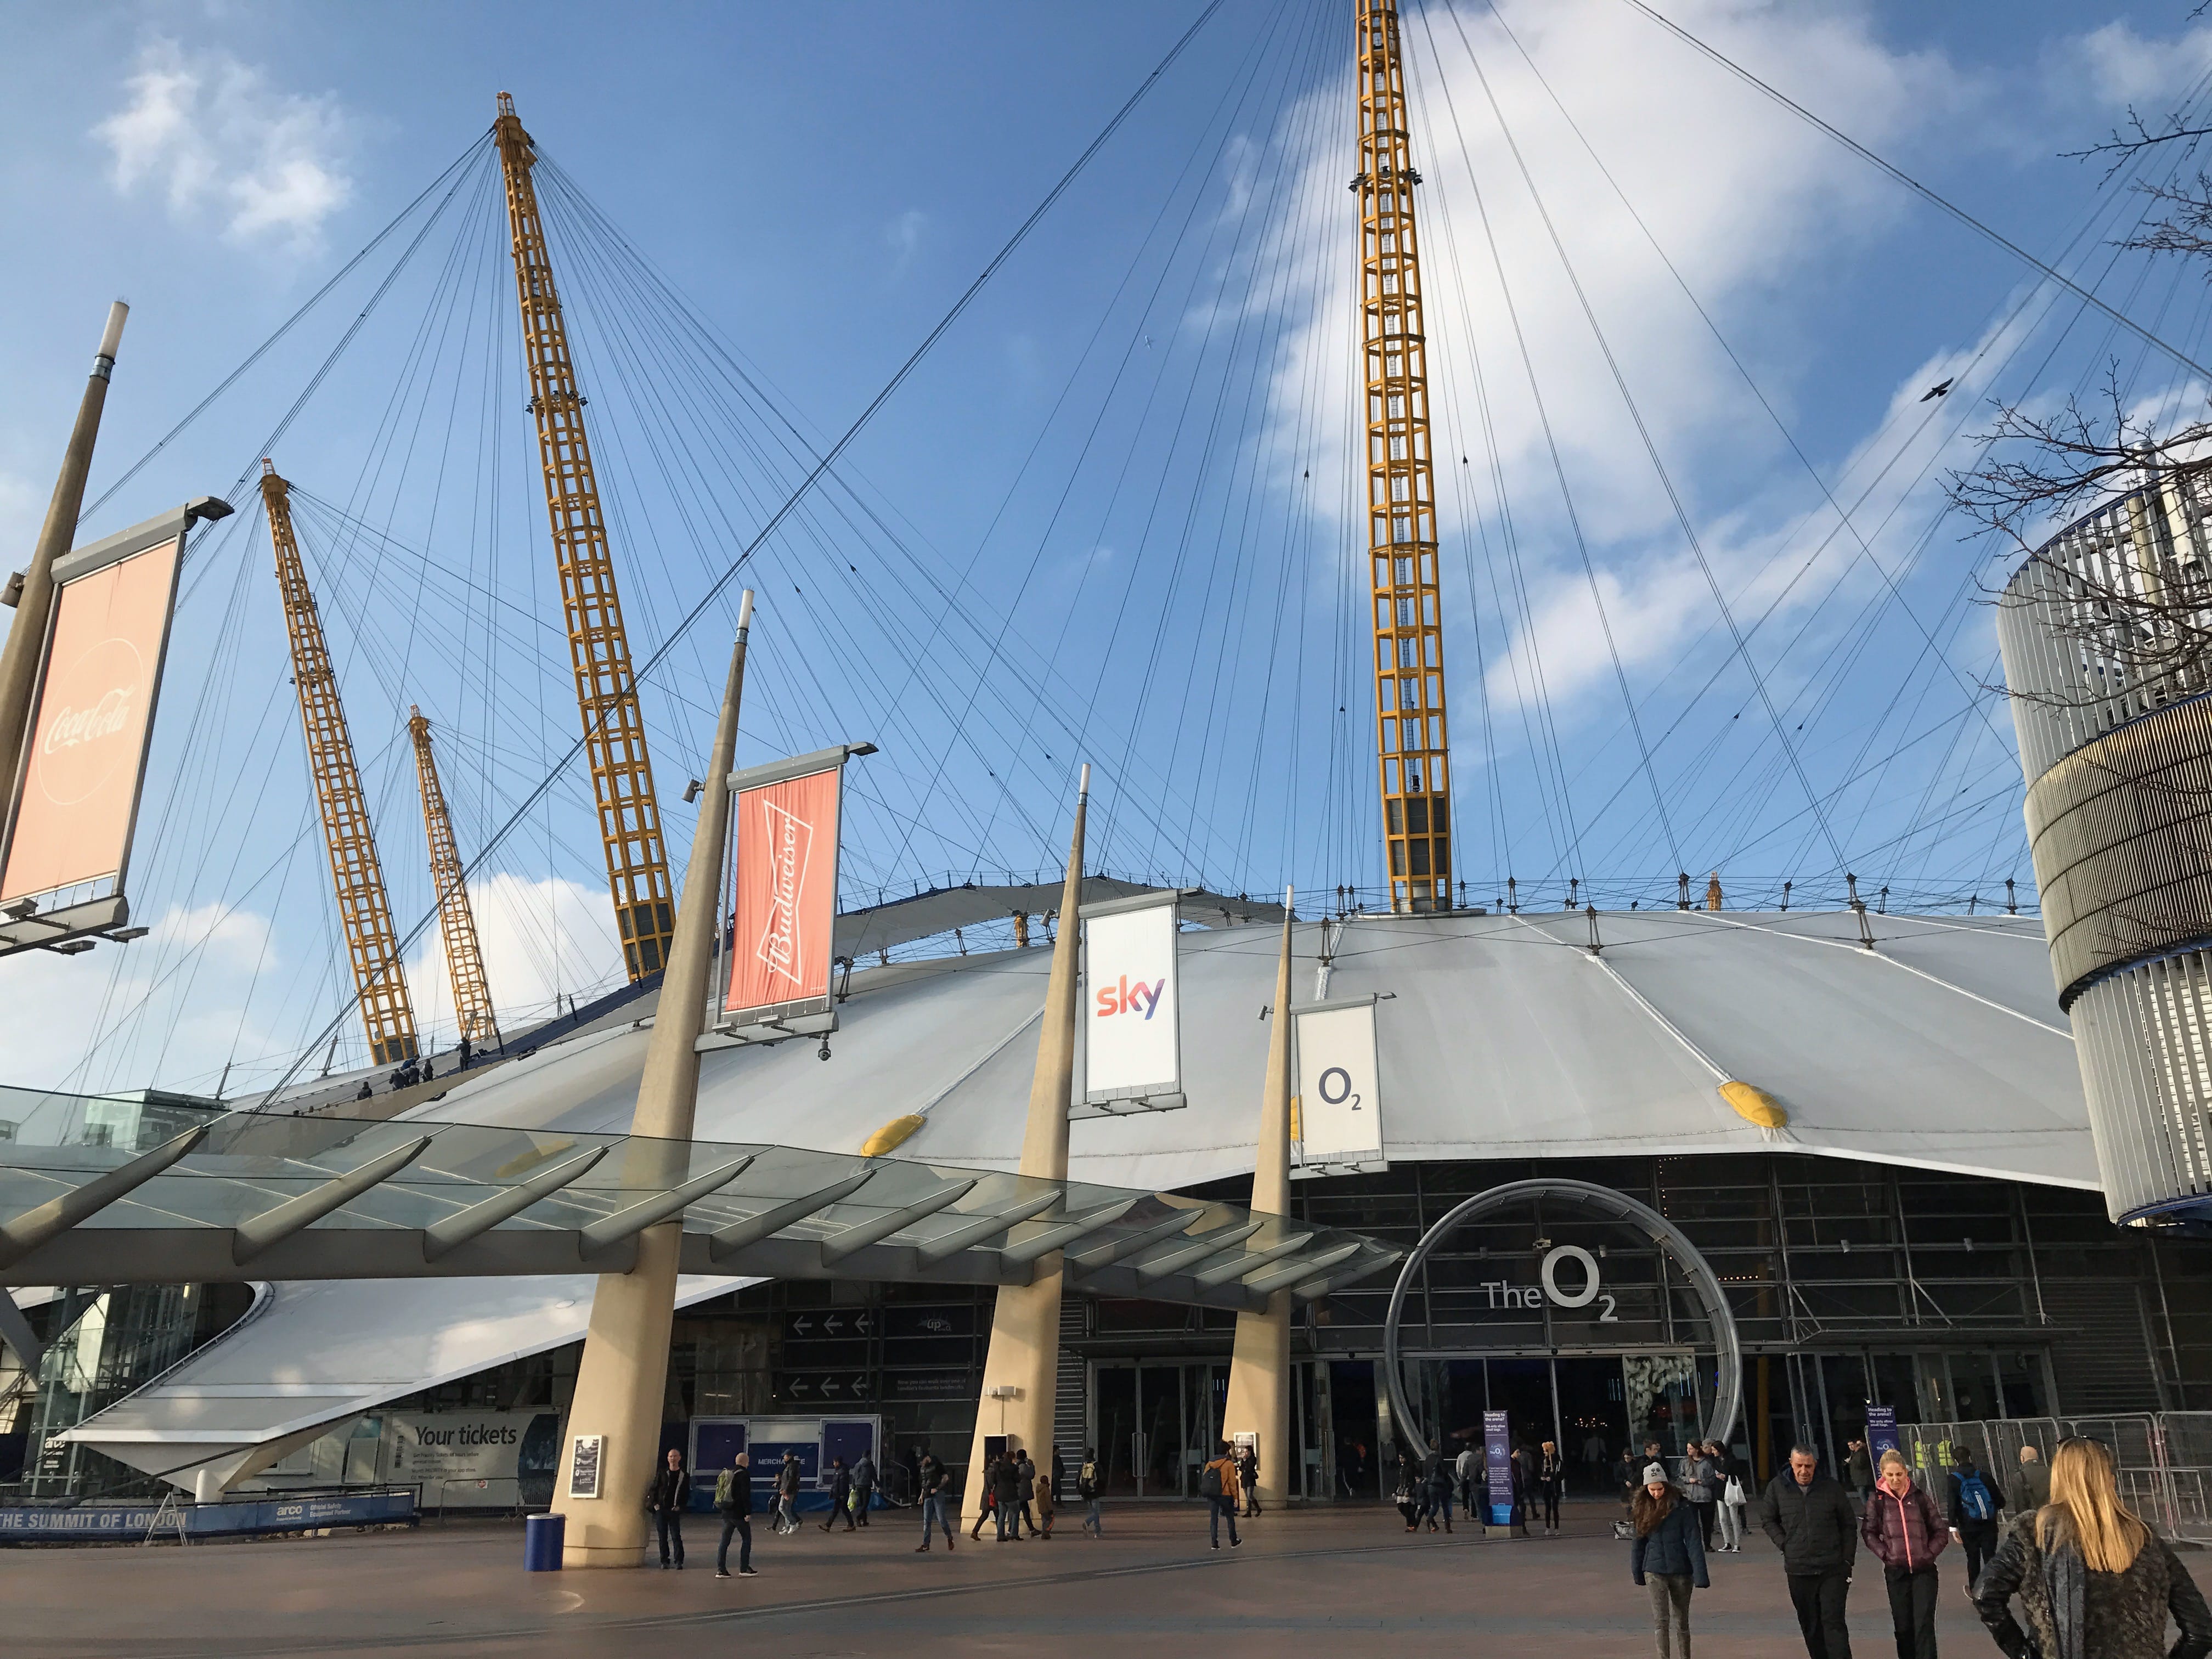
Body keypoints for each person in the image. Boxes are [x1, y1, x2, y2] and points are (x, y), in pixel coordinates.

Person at [1973, 1436, 2212, 1659]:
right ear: (2109, 1478)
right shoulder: (2144, 1538)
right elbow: (2201, 1631)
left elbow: (1985, 1594)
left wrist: (2026, 1654)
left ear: (2058, 1477)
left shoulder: (2036, 1535)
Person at [1760, 1441, 1857, 1659]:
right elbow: (1768, 1519)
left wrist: (1847, 1561)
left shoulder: (1831, 1487)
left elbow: (1848, 1524)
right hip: (1799, 1569)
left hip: (1832, 1568)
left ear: (1815, 1464)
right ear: (1791, 1464)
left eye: (1808, 1466)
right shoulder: (1777, 1487)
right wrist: (1784, 1544)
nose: (1804, 1471)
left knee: (1833, 1623)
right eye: (1799, 1466)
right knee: (1810, 1626)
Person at [1860, 1448, 1945, 1659]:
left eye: (1899, 1474)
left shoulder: (1919, 1498)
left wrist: (1929, 1554)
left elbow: (1940, 1531)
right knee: (1904, 1628)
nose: (1895, 1479)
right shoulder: (1877, 1500)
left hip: (1924, 1571)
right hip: (1896, 1572)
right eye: (1890, 1475)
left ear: (1906, 1473)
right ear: (1882, 1474)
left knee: (1924, 1626)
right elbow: (1869, 1533)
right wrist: (1886, 1555)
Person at [1632, 1461, 1709, 1659]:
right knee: (1661, 1622)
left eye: (1660, 1489)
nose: (1657, 1493)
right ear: (1646, 1488)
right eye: (1652, 1489)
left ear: (1666, 1486)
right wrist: (1637, 1571)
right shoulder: (1642, 1508)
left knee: (1682, 1622)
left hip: (1681, 1570)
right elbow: (1638, 1542)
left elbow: (1693, 1541)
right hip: (1654, 1570)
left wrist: (1700, 1574)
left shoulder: (1683, 1508)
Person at [1947, 1450, 2002, 1589]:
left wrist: (1953, 1527)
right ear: (1970, 1458)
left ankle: (1975, 1589)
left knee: (1973, 1558)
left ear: (1955, 1461)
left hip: (1968, 1527)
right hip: (1989, 1526)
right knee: (1990, 1558)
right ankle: (1993, 1589)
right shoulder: (1984, 1476)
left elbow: (1952, 1505)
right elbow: (2001, 1501)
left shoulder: (1953, 1479)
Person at [713, 1451, 758, 1578]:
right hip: (739, 1514)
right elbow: (745, 1495)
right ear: (746, 1462)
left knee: (724, 1542)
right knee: (746, 1539)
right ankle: (744, 1568)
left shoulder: (730, 1474)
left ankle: (721, 1570)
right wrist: (748, 1512)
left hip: (726, 1513)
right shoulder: (744, 1474)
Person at [647, 1446, 689, 1570]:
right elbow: (654, 1489)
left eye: (675, 1456)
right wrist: (655, 1505)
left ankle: (679, 1561)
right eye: (671, 1456)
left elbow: (686, 1494)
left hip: (674, 1510)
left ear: (679, 1458)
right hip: (661, 1510)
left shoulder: (684, 1476)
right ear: (668, 1458)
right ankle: (664, 1560)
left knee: (676, 1536)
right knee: (662, 1536)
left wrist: (680, 1507)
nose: (673, 1459)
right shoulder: (662, 1473)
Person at [1200, 1440, 1243, 1550]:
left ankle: (1214, 1543)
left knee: (1214, 1519)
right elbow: (1232, 1483)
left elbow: (1205, 1478)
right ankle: (1233, 1541)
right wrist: (1236, 1497)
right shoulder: (1229, 1464)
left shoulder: (1210, 1464)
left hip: (1213, 1495)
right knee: (1230, 1518)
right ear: (1227, 1451)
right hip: (1225, 1495)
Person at [913, 1451, 955, 1553]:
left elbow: (945, 1478)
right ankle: (925, 1544)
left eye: (922, 1461)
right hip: (928, 1495)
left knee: (941, 1519)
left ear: (927, 1458)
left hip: (938, 1494)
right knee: (927, 1521)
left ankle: (949, 1537)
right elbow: (924, 1482)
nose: (921, 1464)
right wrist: (922, 1495)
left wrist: (937, 1488)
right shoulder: (923, 1469)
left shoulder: (937, 1465)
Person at [1682, 1442, 1719, 1552]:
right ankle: (1696, 1545)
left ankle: (1708, 1544)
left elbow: (1713, 1478)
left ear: (1697, 1449)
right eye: (1688, 1448)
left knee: (1707, 1523)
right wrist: (1688, 1480)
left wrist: (1703, 1482)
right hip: (1691, 1496)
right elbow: (1679, 1476)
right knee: (1693, 1523)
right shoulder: (1685, 1462)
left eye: (1691, 1448)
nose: (1688, 1450)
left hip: (1705, 1496)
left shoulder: (1707, 1462)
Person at [1712, 1442, 1748, 1555]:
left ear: (1719, 1450)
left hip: (1730, 1489)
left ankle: (1737, 1543)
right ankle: (1727, 1542)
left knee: (1734, 1518)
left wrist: (1726, 1476)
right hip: (1720, 1491)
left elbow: (1737, 1474)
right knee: (1722, 1518)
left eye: (1714, 1450)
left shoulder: (1731, 1460)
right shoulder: (1715, 1461)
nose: (1713, 1452)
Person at [819, 1456, 855, 1532]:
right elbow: (835, 1484)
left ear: (838, 1463)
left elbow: (843, 1484)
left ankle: (828, 1525)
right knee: (843, 1510)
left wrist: (842, 1495)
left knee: (837, 1510)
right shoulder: (838, 1471)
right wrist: (832, 1493)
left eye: (834, 1462)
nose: (834, 1464)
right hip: (839, 1494)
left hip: (841, 1495)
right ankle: (851, 1525)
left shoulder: (843, 1471)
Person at [992, 1449, 1021, 1542]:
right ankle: (1014, 1534)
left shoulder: (998, 1467)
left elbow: (994, 1480)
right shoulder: (1014, 1468)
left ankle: (1000, 1536)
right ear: (1012, 1458)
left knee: (1001, 1515)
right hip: (1010, 1494)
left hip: (1000, 1494)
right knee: (1016, 1512)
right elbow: (1018, 1479)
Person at [1539, 1440, 1566, 1537]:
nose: (1544, 1453)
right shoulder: (1544, 1461)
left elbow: (1561, 1475)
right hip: (1547, 1486)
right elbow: (1541, 1471)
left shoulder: (1558, 1462)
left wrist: (1553, 1478)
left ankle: (1556, 1528)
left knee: (1555, 1508)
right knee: (1547, 1508)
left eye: (1546, 1451)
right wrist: (1542, 1477)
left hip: (1555, 1486)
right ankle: (1548, 1528)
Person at [2013, 1444, 2051, 1514]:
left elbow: (2020, 1506)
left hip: (2033, 1518)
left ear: (2022, 1458)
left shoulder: (2020, 1476)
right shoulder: (2052, 1472)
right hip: (2052, 1515)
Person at [1077, 1447, 1103, 1537]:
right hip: (1094, 1492)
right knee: (1096, 1513)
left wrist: (1080, 1491)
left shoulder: (1083, 1465)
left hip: (1086, 1492)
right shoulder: (1096, 1465)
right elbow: (1102, 1479)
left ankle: (1098, 1531)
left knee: (1094, 1512)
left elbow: (1078, 1478)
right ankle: (1088, 1523)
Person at [1015, 1448, 1041, 1538]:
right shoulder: (1023, 1466)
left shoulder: (1016, 1465)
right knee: (1019, 1512)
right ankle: (1012, 1531)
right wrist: (1032, 1465)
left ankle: (1032, 1529)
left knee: (1025, 1511)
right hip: (1022, 1492)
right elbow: (1031, 1475)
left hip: (1019, 1492)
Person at [774, 1451, 802, 1535]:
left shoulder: (792, 1466)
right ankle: (787, 1527)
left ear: (789, 1457)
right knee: (787, 1508)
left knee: (782, 1508)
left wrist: (785, 1490)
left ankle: (793, 1523)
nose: (784, 1458)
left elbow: (791, 1479)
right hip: (787, 1490)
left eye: (785, 1456)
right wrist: (780, 1485)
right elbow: (785, 1479)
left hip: (789, 1491)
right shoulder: (789, 1466)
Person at [1394, 1451, 1421, 1531]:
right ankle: (1412, 1521)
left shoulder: (1410, 1467)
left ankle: (1410, 1524)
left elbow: (1412, 1480)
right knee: (1400, 1507)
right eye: (1400, 1458)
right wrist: (1394, 1491)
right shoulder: (1401, 1468)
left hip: (1407, 1488)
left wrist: (1409, 1490)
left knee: (1407, 1507)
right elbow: (1398, 1480)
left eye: (1402, 1458)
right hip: (1401, 1489)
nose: (1401, 1460)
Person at [849, 1451, 874, 1528]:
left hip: (858, 1486)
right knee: (865, 1504)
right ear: (869, 1456)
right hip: (866, 1486)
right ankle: (859, 1517)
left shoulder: (858, 1464)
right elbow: (874, 1475)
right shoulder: (870, 1465)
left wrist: (853, 1486)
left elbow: (854, 1476)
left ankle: (865, 1521)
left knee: (862, 1504)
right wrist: (879, 1485)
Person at [1847, 1438, 1875, 1505]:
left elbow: (1860, 1464)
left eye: (1852, 1445)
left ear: (1856, 1444)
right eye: (1849, 1446)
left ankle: (1868, 1509)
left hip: (1863, 1480)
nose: (1851, 1447)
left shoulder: (1860, 1453)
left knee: (1865, 1497)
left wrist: (1850, 1462)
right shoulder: (1855, 1453)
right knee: (1868, 1497)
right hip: (1861, 1479)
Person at [1237, 1443, 1261, 1517]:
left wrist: (1245, 1461)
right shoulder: (1243, 1460)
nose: (1245, 1453)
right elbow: (1241, 1468)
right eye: (1244, 1452)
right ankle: (1248, 1512)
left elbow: (1250, 1467)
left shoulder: (1253, 1459)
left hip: (1250, 1479)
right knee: (1247, 1497)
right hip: (1244, 1478)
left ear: (1250, 1452)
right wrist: (1241, 1465)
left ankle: (1258, 1508)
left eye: (1246, 1452)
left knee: (1250, 1495)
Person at [1457, 1441, 1481, 1513]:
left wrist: (1460, 1478)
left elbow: (1458, 1469)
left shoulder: (1460, 1456)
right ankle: (1474, 1513)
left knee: (1465, 1496)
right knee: (1473, 1497)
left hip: (1464, 1478)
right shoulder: (1474, 1456)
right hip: (1472, 1478)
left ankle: (1466, 1508)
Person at [1035, 1468, 1054, 1538]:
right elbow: (1048, 1500)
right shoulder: (1046, 1489)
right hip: (1046, 1508)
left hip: (1041, 1508)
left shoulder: (1038, 1489)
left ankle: (1044, 1532)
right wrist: (1051, 1509)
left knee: (1044, 1521)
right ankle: (1046, 1532)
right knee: (1051, 1520)